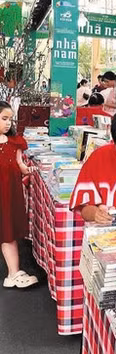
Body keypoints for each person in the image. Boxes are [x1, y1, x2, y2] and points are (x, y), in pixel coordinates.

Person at [0, 101, 38, 288]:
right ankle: (12, 273)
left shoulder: (15, 142)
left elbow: (20, 165)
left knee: (8, 232)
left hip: (10, 194)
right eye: (4, 118)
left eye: (10, 119)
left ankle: (13, 272)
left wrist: (29, 170)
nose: (8, 123)